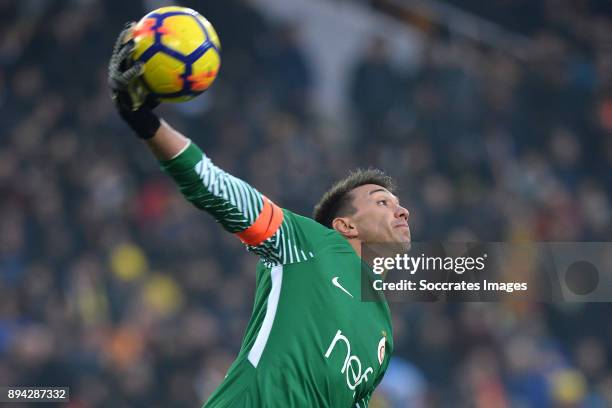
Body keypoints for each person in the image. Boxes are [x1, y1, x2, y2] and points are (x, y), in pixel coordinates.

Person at [108, 24, 410, 408]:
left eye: (398, 203)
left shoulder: (382, 331)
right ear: (345, 224)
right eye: (381, 201)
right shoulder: (311, 246)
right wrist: (145, 122)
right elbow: (217, 188)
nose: (401, 209)